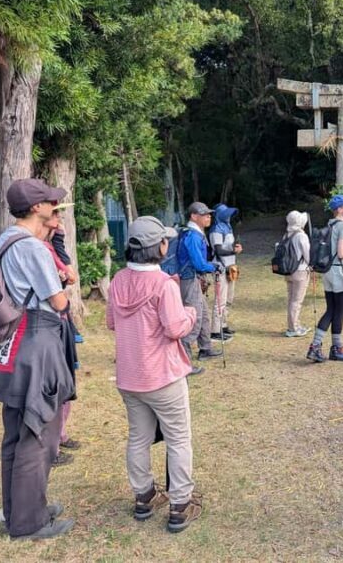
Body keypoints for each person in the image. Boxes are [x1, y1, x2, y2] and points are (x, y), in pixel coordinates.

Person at [107, 216, 203, 533]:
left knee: (139, 436)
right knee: (178, 438)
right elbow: (175, 328)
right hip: (162, 376)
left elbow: (111, 322)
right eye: (166, 240)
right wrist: (190, 312)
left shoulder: (118, 280)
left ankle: (144, 496)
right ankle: (180, 504)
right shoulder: (163, 284)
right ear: (159, 247)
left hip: (129, 375)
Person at [0, 178, 76, 539]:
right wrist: (63, 289)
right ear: (36, 208)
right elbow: (56, 301)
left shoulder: (4, 239)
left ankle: (20, 510)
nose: (54, 207)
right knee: (38, 430)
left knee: (15, 433)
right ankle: (29, 524)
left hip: (10, 343)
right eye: (50, 202)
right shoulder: (34, 248)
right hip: (36, 339)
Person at [39, 205, 82, 466]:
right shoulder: (38, 249)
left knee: (65, 382)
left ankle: (59, 435)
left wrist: (59, 239)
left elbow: (69, 274)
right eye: (55, 215)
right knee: (54, 386)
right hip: (48, 324)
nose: (60, 219)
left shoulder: (50, 246)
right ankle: (49, 445)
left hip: (60, 323)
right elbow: (67, 278)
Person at [306, 194, 343, 363]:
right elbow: (342, 254)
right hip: (341, 273)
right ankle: (336, 349)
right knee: (339, 312)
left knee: (331, 310)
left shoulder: (330, 225)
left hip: (328, 272)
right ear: (340, 209)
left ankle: (316, 346)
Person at [176, 201, 222, 371]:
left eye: (209, 214)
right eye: (204, 214)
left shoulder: (193, 233)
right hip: (189, 279)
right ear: (194, 216)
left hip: (193, 279)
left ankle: (205, 348)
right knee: (193, 318)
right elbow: (199, 264)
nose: (208, 217)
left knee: (203, 314)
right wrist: (214, 266)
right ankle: (184, 363)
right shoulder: (193, 236)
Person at [209, 203, 242, 340]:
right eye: (226, 214)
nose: (228, 217)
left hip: (230, 267)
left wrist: (236, 247)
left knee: (228, 298)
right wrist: (233, 250)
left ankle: (223, 325)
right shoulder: (216, 229)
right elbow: (218, 250)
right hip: (220, 267)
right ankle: (215, 330)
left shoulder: (228, 228)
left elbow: (226, 247)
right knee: (220, 299)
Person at [283, 210, 311, 337]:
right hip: (300, 271)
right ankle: (293, 328)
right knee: (297, 301)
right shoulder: (301, 236)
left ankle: (293, 325)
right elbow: (307, 255)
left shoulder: (287, 235)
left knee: (291, 299)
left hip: (288, 271)